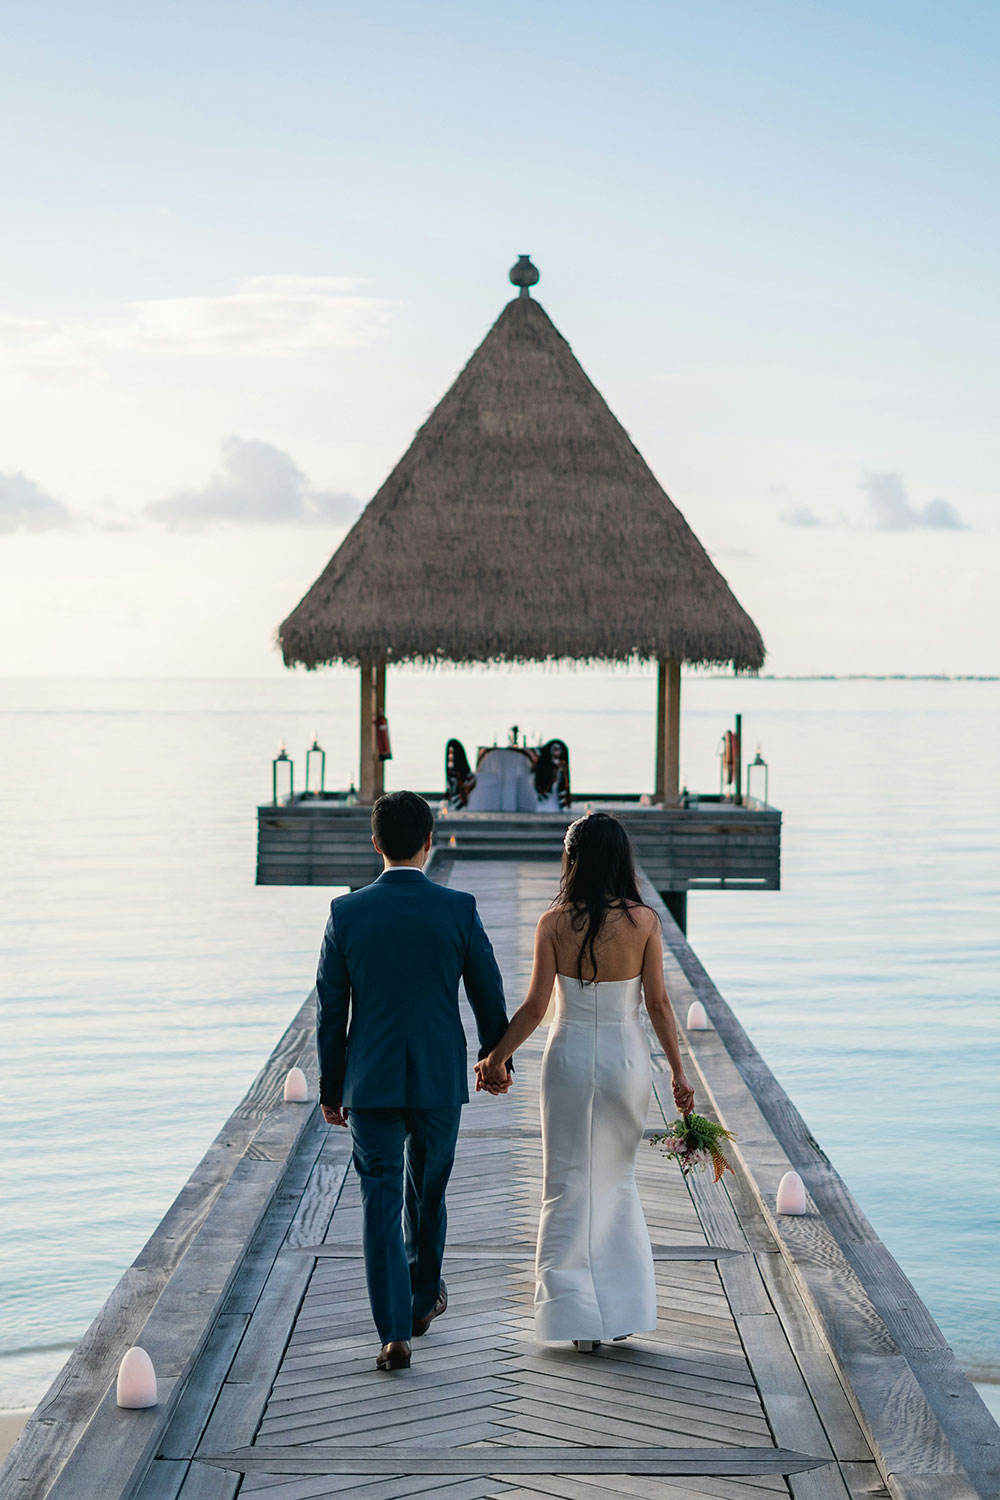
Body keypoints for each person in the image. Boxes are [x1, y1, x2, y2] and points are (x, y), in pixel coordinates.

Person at [476, 812, 695, 1348]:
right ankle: (620, 1312)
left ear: (571, 859)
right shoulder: (644, 921)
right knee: (616, 1181)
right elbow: (660, 1005)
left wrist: (496, 1058)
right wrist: (679, 1072)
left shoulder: (553, 923)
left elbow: (533, 1007)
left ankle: (575, 1321)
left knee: (567, 1182)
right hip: (625, 1060)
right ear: (622, 859)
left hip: (569, 1057)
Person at [316, 791, 512, 1372]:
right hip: (437, 1077)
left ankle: (394, 1333)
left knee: (378, 1201)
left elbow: (331, 1011)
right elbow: (486, 989)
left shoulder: (345, 913)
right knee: (427, 1191)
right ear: (430, 841)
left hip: (370, 1081)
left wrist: (331, 1089)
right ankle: (425, 1298)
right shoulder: (458, 908)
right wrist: (495, 1057)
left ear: (375, 843)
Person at [534, 738, 571, 810]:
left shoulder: (562, 763)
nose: (556, 752)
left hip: (558, 785)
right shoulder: (547, 762)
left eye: (558, 749)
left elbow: (565, 777)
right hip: (549, 785)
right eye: (554, 749)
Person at [445, 738, 475, 807]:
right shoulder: (451, 776)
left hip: (464, 807)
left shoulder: (468, 777)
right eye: (449, 754)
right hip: (452, 807)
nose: (451, 757)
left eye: (453, 753)